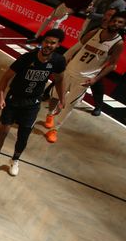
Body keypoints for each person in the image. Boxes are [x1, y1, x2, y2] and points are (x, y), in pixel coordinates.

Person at [0, 29, 66, 176]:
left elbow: (59, 81)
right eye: (46, 41)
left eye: (52, 43)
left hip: (33, 103)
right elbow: (5, 77)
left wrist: (62, 99)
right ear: (42, 42)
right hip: (14, 99)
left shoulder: (58, 61)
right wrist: (1, 97)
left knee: (24, 134)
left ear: (58, 45)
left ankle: (15, 160)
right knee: (3, 131)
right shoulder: (27, 58)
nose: (48, 45)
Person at [44, 11, 125, 143]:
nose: (116, 23)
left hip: (85, 79)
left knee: (69, 104)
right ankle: (49, 115)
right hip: (70, 70)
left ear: (123, 26)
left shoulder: (118, 43)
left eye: (120, 22)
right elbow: (75, 48)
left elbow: (112, 66)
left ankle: (55, 130)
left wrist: (95, 79)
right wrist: (61, 63)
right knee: (55, 96)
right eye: (114, 20)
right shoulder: (95, 32)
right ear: (110, 21)